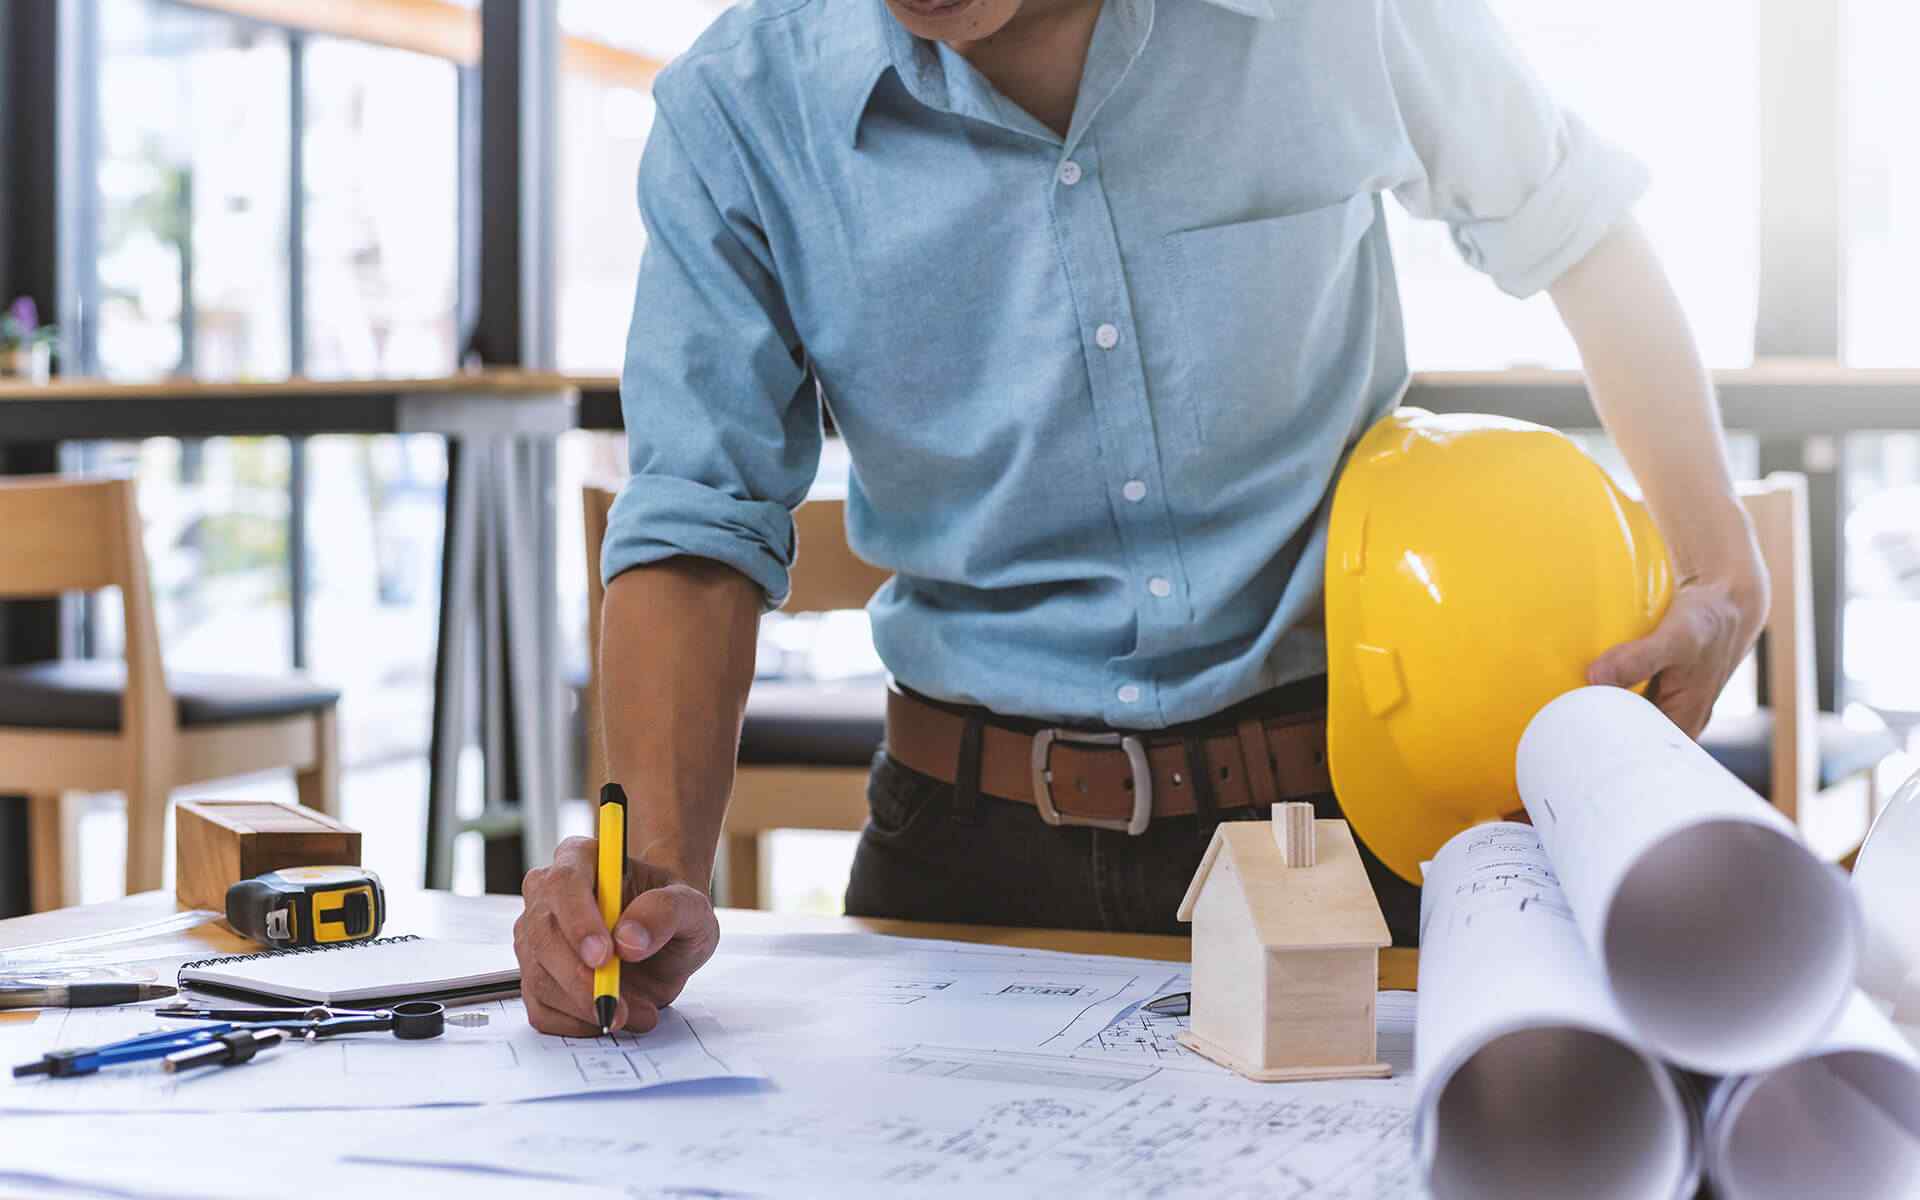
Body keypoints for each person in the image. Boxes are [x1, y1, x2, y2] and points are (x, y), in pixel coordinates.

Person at [514, 0, 1766, 1036]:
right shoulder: (739, 108)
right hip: (962, 850)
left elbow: (1578, 224)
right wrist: (655, 876)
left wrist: (1720, 570)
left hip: (1343, 833)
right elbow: (696, 521)